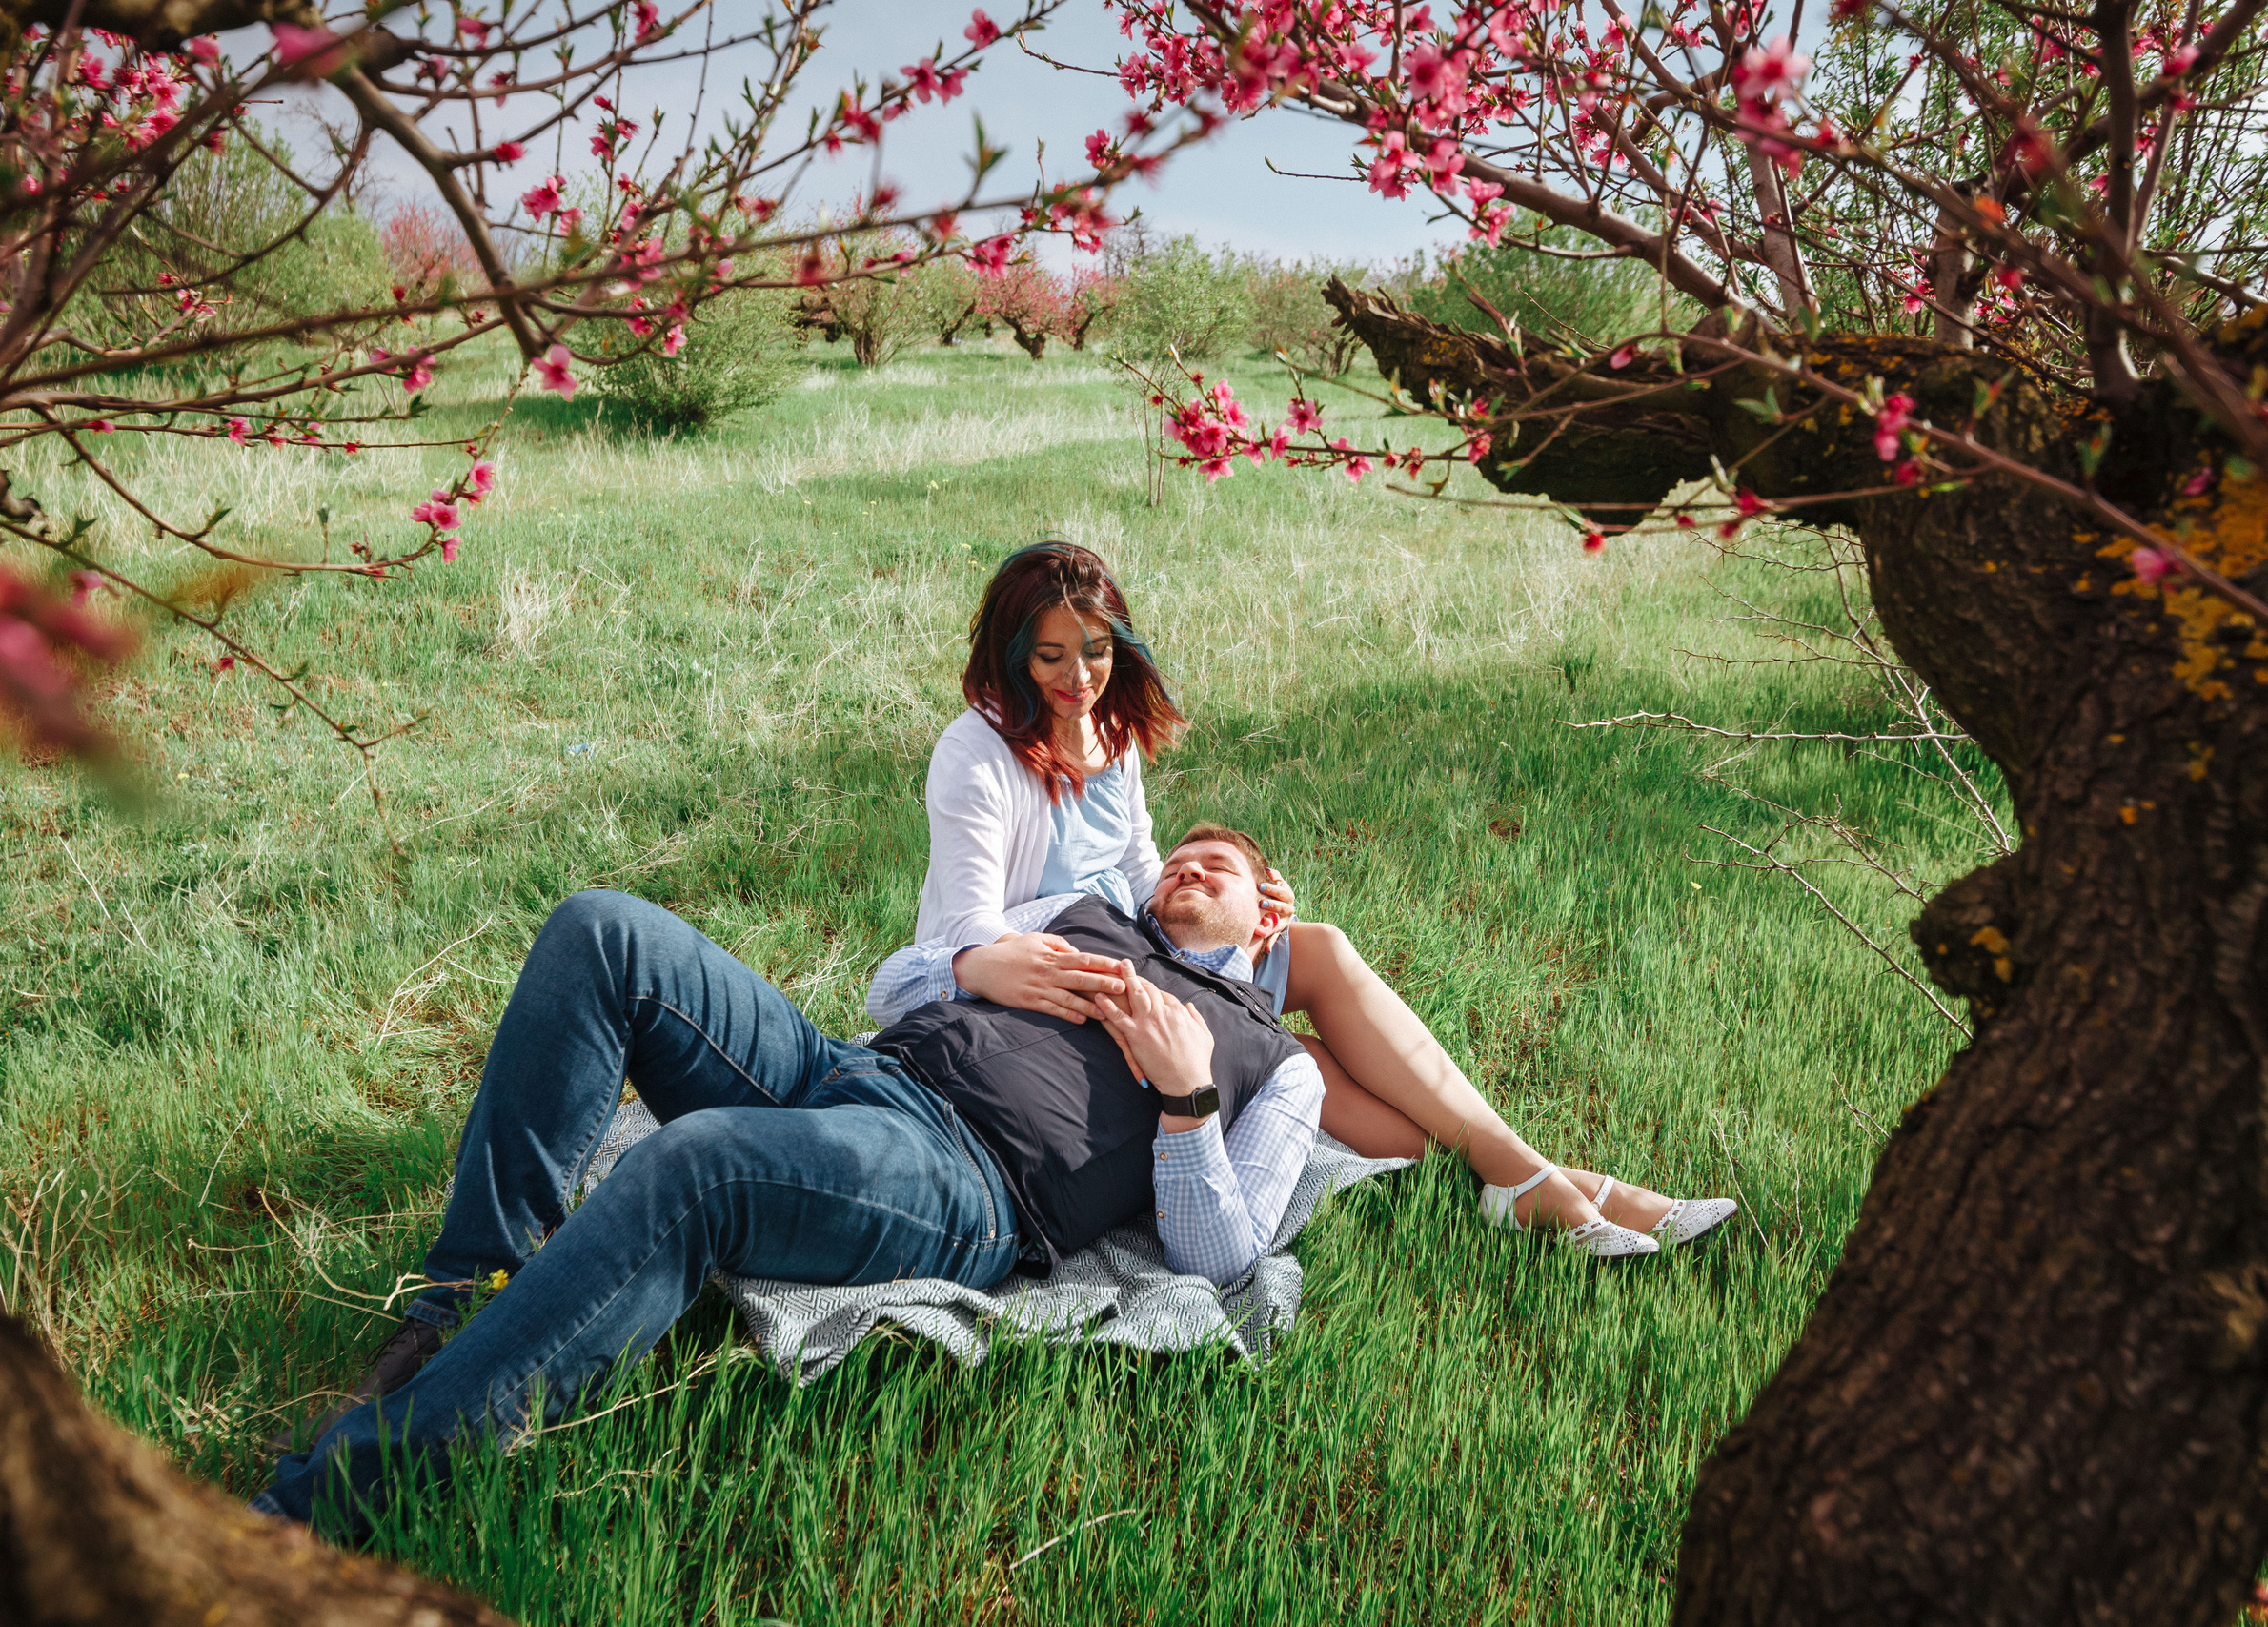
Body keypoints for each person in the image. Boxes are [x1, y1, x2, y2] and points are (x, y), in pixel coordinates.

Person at [254, 829, 1321, 1537]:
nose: (1186, 868)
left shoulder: (1273, 1062)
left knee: (697, 1164)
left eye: (1217, 867)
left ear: (1265, 919)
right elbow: (895, 978)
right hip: (848, 1067)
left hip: (963, 1176)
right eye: (1178, 854)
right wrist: (968, 968)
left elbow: (1221, 1258)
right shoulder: (1089, 913)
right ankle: (465, 1305)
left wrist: (1185, 1101)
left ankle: (330, 1501)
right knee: (602, 929)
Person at [899, 539, 1736, 1258]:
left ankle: (1512, 1169)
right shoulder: (978, 751)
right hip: (1051, 978)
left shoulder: (1112, 739)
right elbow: (973, 926)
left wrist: (1240, 911)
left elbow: (1133, 870)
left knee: (1314, 950)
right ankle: (1540, 1179)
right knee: (1280, 1048)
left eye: (1096, 649)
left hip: (1133, 945)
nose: (1079, 677)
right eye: (1052, 656)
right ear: (1014, 656)